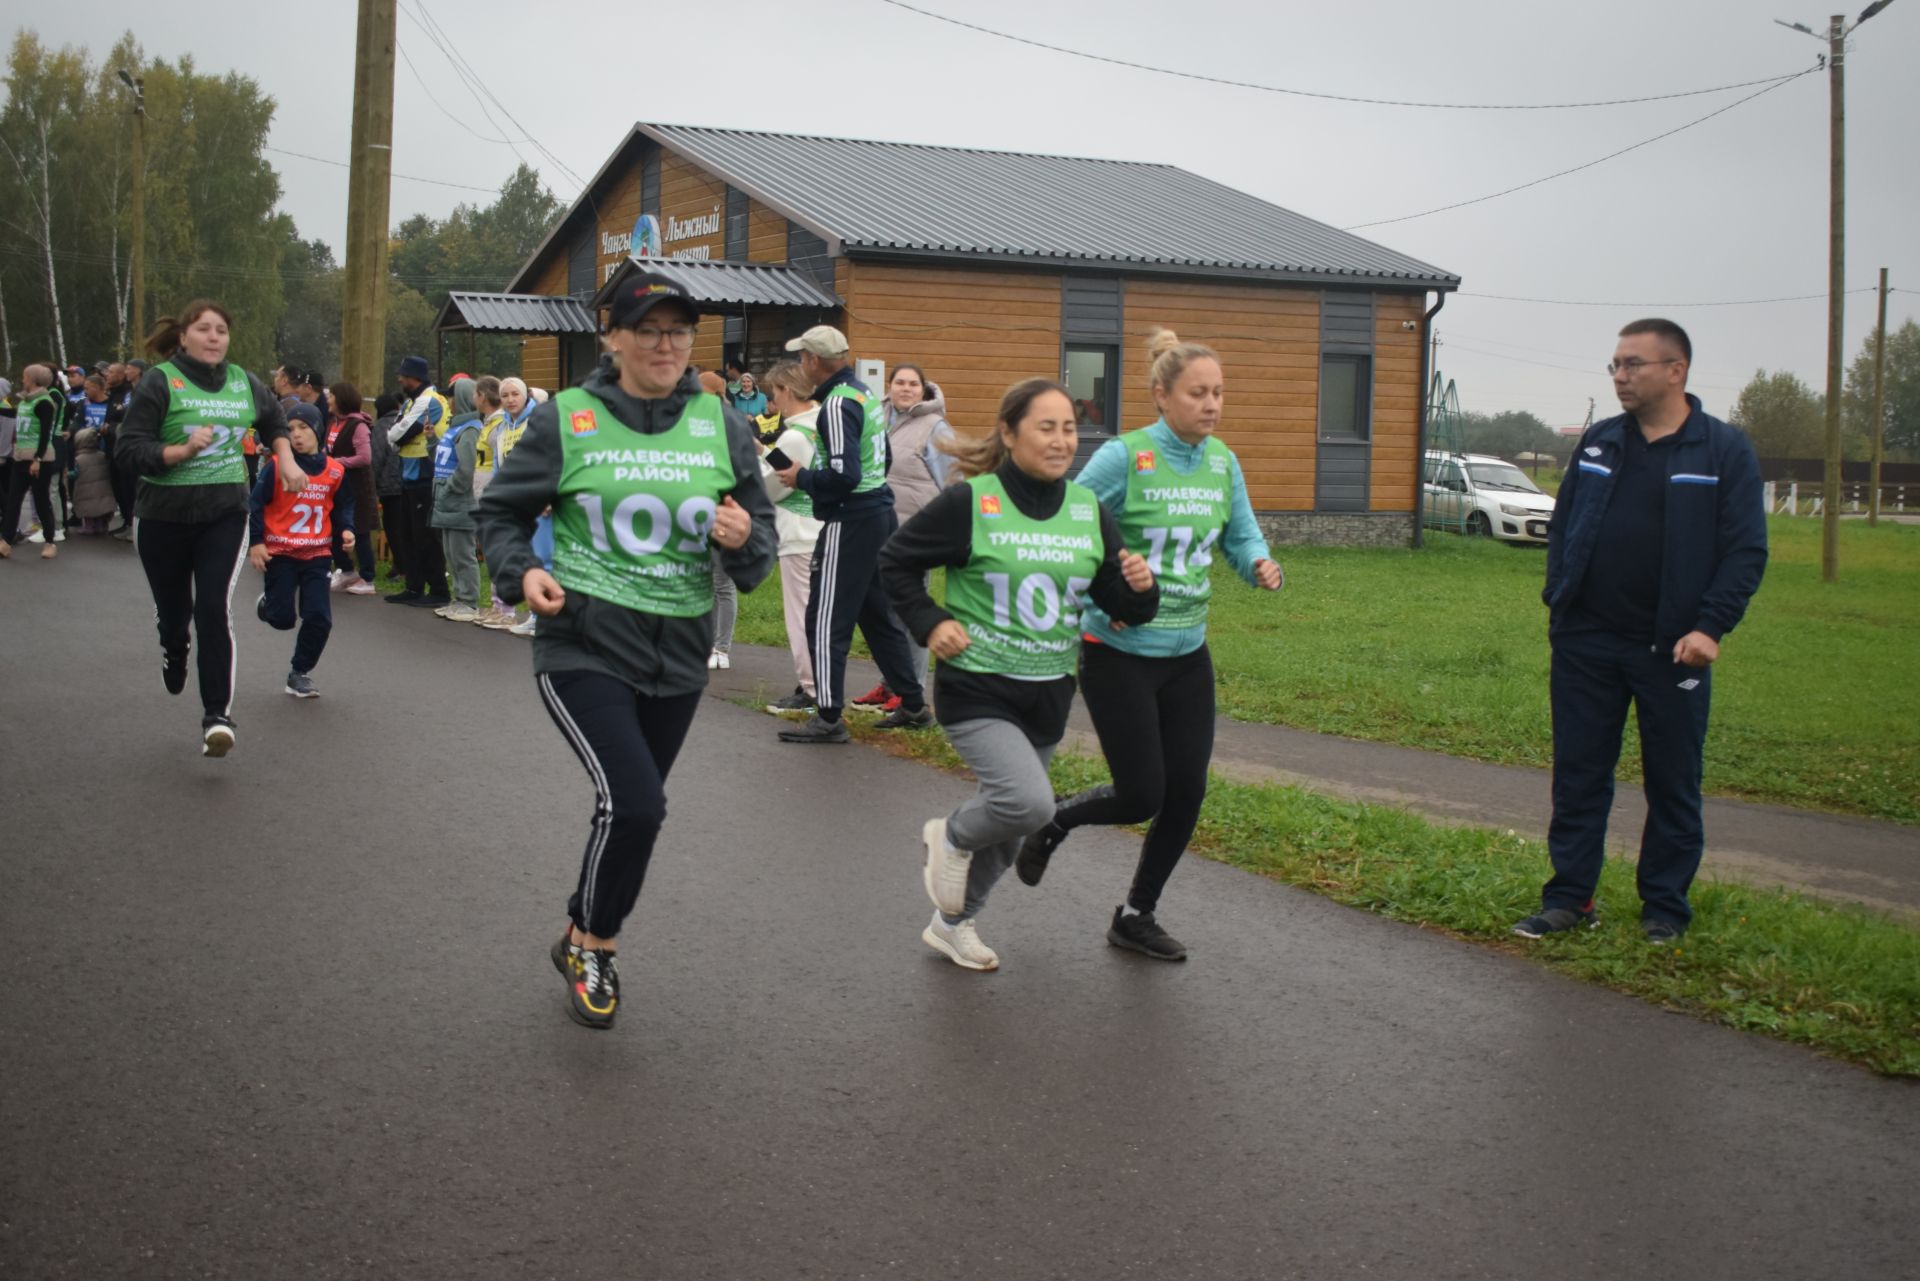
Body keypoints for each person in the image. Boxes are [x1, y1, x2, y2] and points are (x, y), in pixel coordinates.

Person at [477, 269, 777, 1030]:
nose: (666, 344)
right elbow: (501, 516)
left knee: (625, 808)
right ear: (612, 336)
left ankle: (579, 927)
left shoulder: (720, 422)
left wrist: (743, 542)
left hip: (678, 651)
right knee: (639, 804)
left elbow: (758, 540)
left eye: (679, 331)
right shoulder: (568, 418)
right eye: (648, 329)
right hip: (584, 641)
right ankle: (597, 947)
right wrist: (525, 571)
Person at [1016, 328, 1285, 961]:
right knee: (1141, 793)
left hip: (1188, 654)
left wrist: (1260, 564)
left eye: (1218, 393)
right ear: (1162, 396)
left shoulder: (1222, 461)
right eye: (1198, 393)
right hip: (1118, 649)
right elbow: (1071, 522)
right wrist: (1099, 578)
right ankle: (1054, 821)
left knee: (1187, 789)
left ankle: (1136, 914)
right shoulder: (1125, 457)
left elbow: (1241, 537)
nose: (1212, 405)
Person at [881, 378, 1158, 970]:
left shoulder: (1089, 511)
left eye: (1069, 428)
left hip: (1048, 692)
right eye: (1046, 427)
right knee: (1029, 805)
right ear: (1009, 433)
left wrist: (1142, 590)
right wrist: (930, 622)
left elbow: (1119, 605)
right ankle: (951, 835)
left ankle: (952, 923)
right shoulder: (972, 503)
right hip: (977, 684)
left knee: (1007, 834)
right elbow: (895, 563)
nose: (1062, 441)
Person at [1513, 318, 1767, 945]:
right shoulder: (1601, 443)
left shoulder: (1721, 450)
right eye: (1615, 366)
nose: (1620, 376)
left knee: (1672, 783)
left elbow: (1745, 552)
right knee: (1579, 775)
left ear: (1676, 370)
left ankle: (1664, 910)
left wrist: (1710, 627)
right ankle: (1571, 898)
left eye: (1633, 365)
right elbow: (1564, 526)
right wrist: (1560, 604)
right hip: (1587, 643)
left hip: (1674, 650)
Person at [116, 300, 298, 756]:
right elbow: (129, 448)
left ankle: (217, 717)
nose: (215, 337)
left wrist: (288, 459)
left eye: (222, 329)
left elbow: (274, 420)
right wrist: (178, 452)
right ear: (183, 336)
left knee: (213, 608)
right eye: (204, 329)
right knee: (176, 614)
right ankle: (174, 648)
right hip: (162, 516)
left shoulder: (243, 382)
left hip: (224, 513)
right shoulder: (161, 382)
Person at [770, 325, 931, 742]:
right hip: (877, 512)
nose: (801, 364)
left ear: (813, 361)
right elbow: (884, 456)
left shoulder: (837, 405)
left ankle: (827, 717)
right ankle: (913, 705)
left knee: (824, 618)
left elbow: (844, 474)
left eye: (802, 357)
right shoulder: (862, 395)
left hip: (851, 517)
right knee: (876, 615)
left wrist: (802, 477)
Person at [854, 363, 956, 713]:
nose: (906, 388)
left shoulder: (935, 427)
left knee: (909, 611)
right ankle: (891, 683)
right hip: (875, 527)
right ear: (890, 385)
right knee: (881, 612)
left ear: (923, 389)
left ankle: (910, 690)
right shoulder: (877, 415)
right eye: (900, 382)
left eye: (913, 383)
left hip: (914, 534)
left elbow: (952, 483)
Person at [249, 403, 355, 698]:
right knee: (283, 619)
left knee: (319, 617)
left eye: (303, 428)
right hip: (280, 553)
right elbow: (255, 505)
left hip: (317, 555)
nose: (296, 435)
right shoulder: (277, 466)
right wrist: (256, 542)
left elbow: (343, 505)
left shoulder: (335, 471)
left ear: (318, 430)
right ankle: (269, 605)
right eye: (290, 429)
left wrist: (346, 530)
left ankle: (300, 673)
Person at [755, 360, 825, 712]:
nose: (773, 400)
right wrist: (766, 451)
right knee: (822, 613)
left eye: (774, 392)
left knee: (801, 615)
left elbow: (774, 485)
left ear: (787, 391)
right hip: (826, 528)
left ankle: (812, 688)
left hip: (800, 532)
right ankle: (822, 685)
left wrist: (757, 463)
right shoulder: (825, 424)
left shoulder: (796, 434)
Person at [385, 355, 450, 607]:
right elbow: (393, 435)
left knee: (425, 536)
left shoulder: (428, 401)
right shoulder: (412, 402)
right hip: (410, 472)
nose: (400, 379)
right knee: (408, 534)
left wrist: (396, 435)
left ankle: (438, 590)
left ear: (417, 377)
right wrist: (395, 435)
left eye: (404, 375)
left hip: (425, 471)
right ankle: (414, 586)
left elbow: (397, 433)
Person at [430, 376, 485, 623]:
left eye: (451, 396)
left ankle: (469, 601)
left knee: (463, 554)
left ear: (463, 398)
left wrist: (450, 488)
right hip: (445, 501)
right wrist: (432, 440)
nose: (448, 401)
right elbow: (443, 459)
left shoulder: (471, 429)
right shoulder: (455, 427)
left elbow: (466, 468)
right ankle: (458, 598)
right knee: (450, 554)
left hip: (459, 501)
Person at [1, 365, 63, 560]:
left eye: (25, 376)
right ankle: (6, 541)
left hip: (39, 460)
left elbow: (45, 434)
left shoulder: (44, 402)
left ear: (35, 379)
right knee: (13, 501)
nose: (22, 379)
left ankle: (50, 541)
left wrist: (37, 458)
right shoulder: (25, 401)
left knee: (41, 500)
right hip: (20, 457)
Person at [325, 382, 380, 594]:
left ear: (341, 399)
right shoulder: (333, 423)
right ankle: (347, 571)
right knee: (334, 527)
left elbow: (365, 458)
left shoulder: (358, 426)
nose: (328, 400)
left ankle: (368, 578)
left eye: (331, 396)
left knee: (360, 530)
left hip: (357, 487)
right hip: (336, 485)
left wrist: (337, 462)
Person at [69, 425, 117, 533]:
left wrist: (67, 474)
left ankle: (89, 527)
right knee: (100, 508)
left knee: (88, 510)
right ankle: (101, 525)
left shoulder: (79, 459)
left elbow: (75, 473)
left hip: (85, 491)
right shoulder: (102, 455)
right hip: (102, 489)